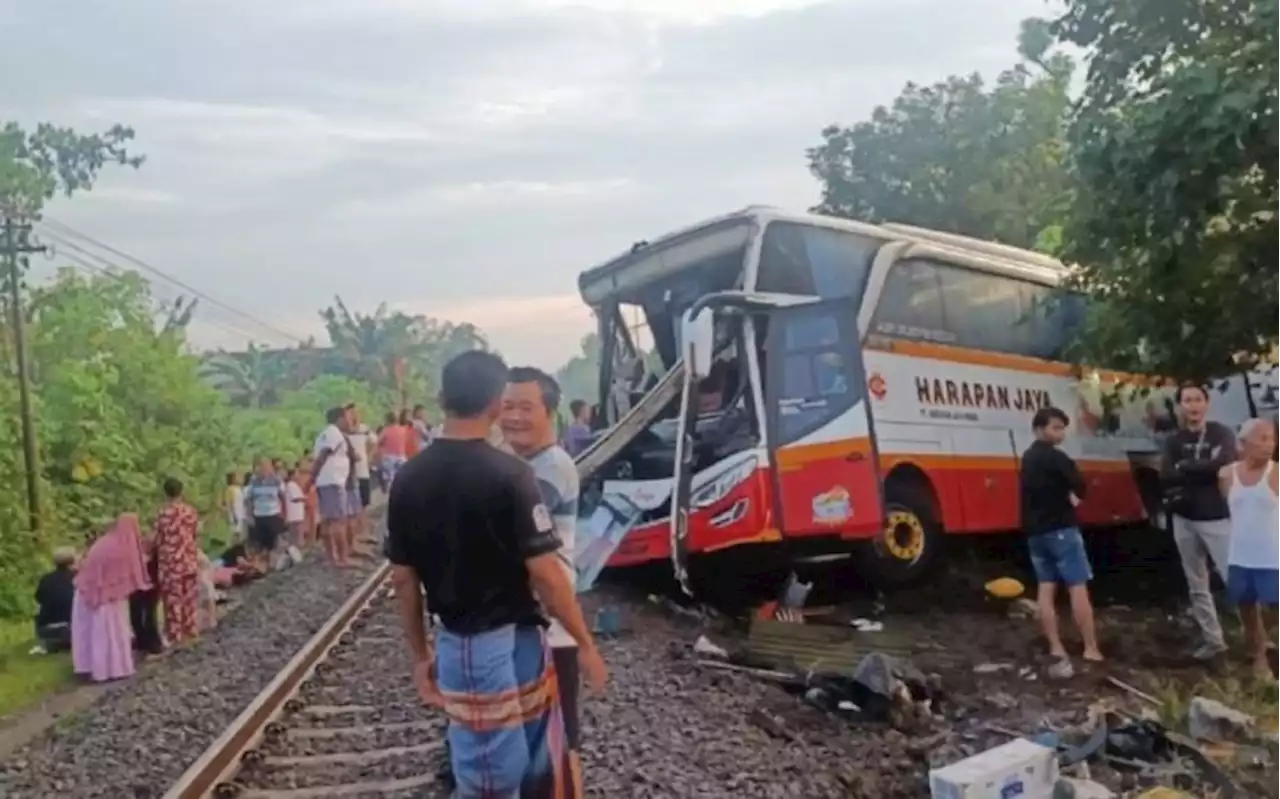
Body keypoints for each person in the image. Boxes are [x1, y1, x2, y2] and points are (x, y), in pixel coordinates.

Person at [387, 350, 607, 798]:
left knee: (511, 767)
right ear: (493, 405)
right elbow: (545, 572)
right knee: (495, 780)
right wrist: (585, 642)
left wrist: (419, 655)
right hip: (503, 644)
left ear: (441, 397)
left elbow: (403, 581)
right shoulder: (510, 475)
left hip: (471, 644)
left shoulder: (407, 479)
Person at [502, 366, 587, 794]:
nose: (514, 417)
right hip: (535, 621)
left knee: (556, 741)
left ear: (549, 412)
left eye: (525, 407)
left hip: (551, 625)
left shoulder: (549, 469)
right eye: (507, 407)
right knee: (543, 738)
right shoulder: (524, 466)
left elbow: (506, 536)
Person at [1020, 407, 1102, 679]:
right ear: (1040, 428)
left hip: (1035, 533)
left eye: (1062, 427)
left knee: (1045, 589)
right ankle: (1090, 648)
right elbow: (1081, 487)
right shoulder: (1058, 458)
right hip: (1062, 530)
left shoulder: (1027, 458)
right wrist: (1074, 498)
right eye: (1056, 427)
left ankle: (1056, 646)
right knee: (1077, 586)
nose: (1061, 433)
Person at [1162, 383, 1237, 660]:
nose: (1192, 406)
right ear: (1180, 406)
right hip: (1184, 517)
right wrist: (1201, 468)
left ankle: (1257, 640)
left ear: (1206, 404)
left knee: (1236, 579)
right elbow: (1167, 474)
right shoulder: (1174, 441)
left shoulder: (1221, 433)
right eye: (1186, 400)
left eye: (1197, 400)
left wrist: (1187, 467)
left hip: (1217, 516)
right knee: (1197, 583)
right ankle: (1213, 640)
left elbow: (1225, 462)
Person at [1219, 418, 1280, 680]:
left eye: (1272, 438)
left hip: (1273, 555)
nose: (1270, 445)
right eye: (1263, 439)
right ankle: (1259, 659)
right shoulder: (1226, 474)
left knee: (1276, 611)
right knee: (1248, 612)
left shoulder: (1276, 473)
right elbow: (1232, 507)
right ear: (1243, 444)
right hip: (1241, 555)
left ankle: (1272, 653)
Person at [72, 514, 150, 682]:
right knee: (109, 633)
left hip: (89, 592)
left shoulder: (106, 542)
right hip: (106, 597)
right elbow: (127, 573)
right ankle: (112, 669)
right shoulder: (120, 548)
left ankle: (93, 667)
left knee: (95, 633)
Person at [153, 477, 202, 647]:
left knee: (173, 599)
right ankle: (191, 629)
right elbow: (195, 534)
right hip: (188, 558)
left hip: (170, 563)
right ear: (181, 491)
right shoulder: (191, 512)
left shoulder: (162, 514)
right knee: (189, 597)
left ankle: (175, 633)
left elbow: (158, 539)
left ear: (165, 492)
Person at [311, 406, 353, 567]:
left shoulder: (324, 433)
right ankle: (342, 559)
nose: (349, 421)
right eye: (347, 418)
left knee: (328, 521)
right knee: (338, 521)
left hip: (325, 481)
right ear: (339, 419)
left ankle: (332, 558)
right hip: (333, 481)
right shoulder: (334, 433)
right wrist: (311, 477)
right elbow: (323, 456)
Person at [34, 547, 77, 653]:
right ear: (72, 561)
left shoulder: (46, 579)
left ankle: (52, 642)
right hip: (73, 625)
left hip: (47, 629)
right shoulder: (78, 577)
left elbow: (39, 599)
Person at [246, 457, 287, 561]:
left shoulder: (276, 480)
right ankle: (262, 564)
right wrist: (250, 515)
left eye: (266, 466)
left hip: (273, 514)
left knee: (273, 542)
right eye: (261, 466)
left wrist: (285, 514)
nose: (263, 469)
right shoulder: (253, 481)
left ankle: (272, 562)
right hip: (259, 515)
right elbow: (249, 500)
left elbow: (283, 497)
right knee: (260, 544)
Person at [344, 403, 374, 549]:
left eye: (355, 413)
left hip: (363, 471)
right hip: (348, 474)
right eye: (350, 413)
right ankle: (356, 535)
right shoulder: (343, 432)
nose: (354, 416)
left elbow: (374, 442)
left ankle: (364, 532)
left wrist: (369, 457)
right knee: (353, 505)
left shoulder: (364, 429)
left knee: (364, 502)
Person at [379, 411, 409, 487]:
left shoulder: (386, 430)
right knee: (402, 478)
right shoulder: (404, 430)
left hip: (389, 456)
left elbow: (378, 441)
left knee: (390, 479)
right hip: (401, 456)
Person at [285, 468, 307, 549]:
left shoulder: (295, 485)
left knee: (298, 534)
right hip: (295, 515)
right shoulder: (291, 485)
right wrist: (306, 499)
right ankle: (296, 550)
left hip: (298, 514)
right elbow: (295, 498)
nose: (298, 475)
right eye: (297, 473)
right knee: (296, 535)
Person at [224, 472, 247, 543]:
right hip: (235, 514)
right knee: (235, 533)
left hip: (240, 513)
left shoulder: (238, 488)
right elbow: (230, 503)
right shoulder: (230, 489)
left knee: (240, 533)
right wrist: (234, 515)